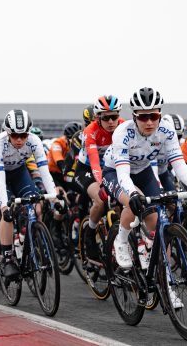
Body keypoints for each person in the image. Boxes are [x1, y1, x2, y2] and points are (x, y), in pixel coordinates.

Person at [102, 87, 187, 308]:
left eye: (154, 116)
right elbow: (123, 172)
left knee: (158, 224)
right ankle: (121, 240)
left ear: (160, 114)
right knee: (135, 200)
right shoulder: (122, 132)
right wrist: (131, 193)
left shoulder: (167, 131)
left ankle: (167, 286)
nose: (149, 122)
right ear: (134, 116)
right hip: (116, 172)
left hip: (142, 172)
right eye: (143, 117)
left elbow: (178, 164)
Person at [0, 109, 57, 280]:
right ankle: (7, 259)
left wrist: (53, 196)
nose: (19, 140)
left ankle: (31, 242)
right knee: (7, 213)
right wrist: (5, 206)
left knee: (35, 206)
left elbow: (44, 170)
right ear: (7, 133)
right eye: (14, 136)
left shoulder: (34, 140)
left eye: (23, 135)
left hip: (18, 172)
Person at [75, 95, 125, 255]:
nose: (111, 122)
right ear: (97, 118)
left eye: (114, 117)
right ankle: (90, 233)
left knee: (122, 203)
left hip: (111, 169)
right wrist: (103, 184)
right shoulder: (90, 131)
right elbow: (95, 162)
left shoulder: (124, 127)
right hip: (88, 169)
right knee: (100, 199)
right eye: (106, 118)